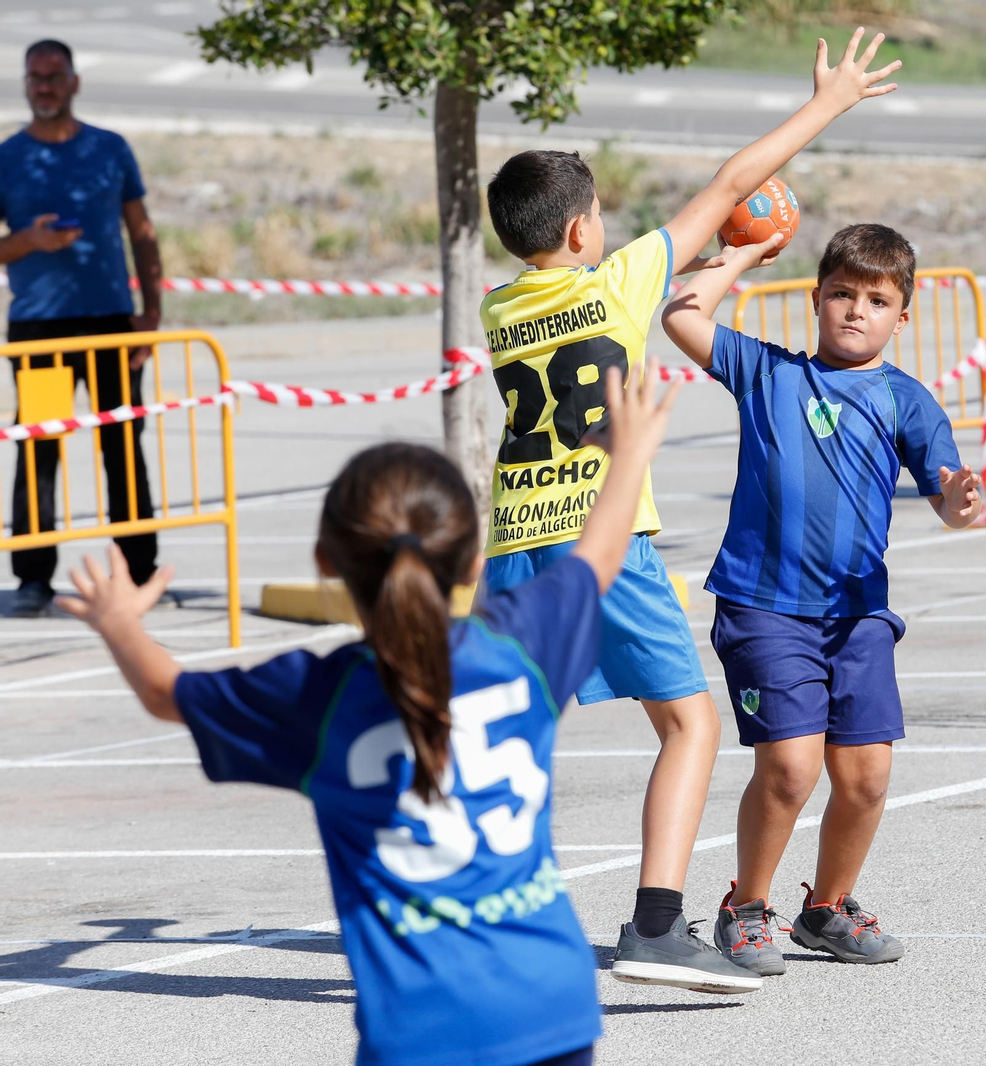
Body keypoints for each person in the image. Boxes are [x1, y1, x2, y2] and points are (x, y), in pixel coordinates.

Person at [55, 359, 688, 1066]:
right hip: (552, 1008)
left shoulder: (318, 697)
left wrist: (119, 624)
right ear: (475, 561)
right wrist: (627, 455)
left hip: (421, 1031)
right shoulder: (522, 650)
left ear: (326, 561)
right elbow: (596, 557)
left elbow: (164, 691)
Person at [477, 28, 901, 993]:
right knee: (689, 727)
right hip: (602, 531)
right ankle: (658, 925)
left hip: (514, 541)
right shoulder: (616, 281)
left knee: (512, 733)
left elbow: (680, 272)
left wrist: (740, 258)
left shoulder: (504, 308)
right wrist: (827, 107)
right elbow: (728, 180)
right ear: (584, 232)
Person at [661, 223, 985, 975]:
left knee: (867, 777)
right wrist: (744, 252)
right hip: (763, 606)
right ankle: (744, 909)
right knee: (792, 770)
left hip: (857, 614)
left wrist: (962, 501)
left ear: (901, 317)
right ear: (816, 299)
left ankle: (827, 909)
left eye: (876, 300)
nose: (855, 310)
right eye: (841, 293)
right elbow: (681, 317)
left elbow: (948, 499)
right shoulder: (767, 372)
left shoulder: (906, 400)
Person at [0, 38, 164, 618]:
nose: (44, 85)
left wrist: (151, 315)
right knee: (39, 451)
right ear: (25, 84)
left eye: (54, 75)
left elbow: (141, 233)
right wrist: (29, 242)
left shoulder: (110, 149)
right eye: (34, 77)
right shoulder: (8, 157)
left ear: (74, 82)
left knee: (122, 447)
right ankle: (33, 578)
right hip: (41, 333)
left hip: (111, 327)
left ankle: (138, 572)